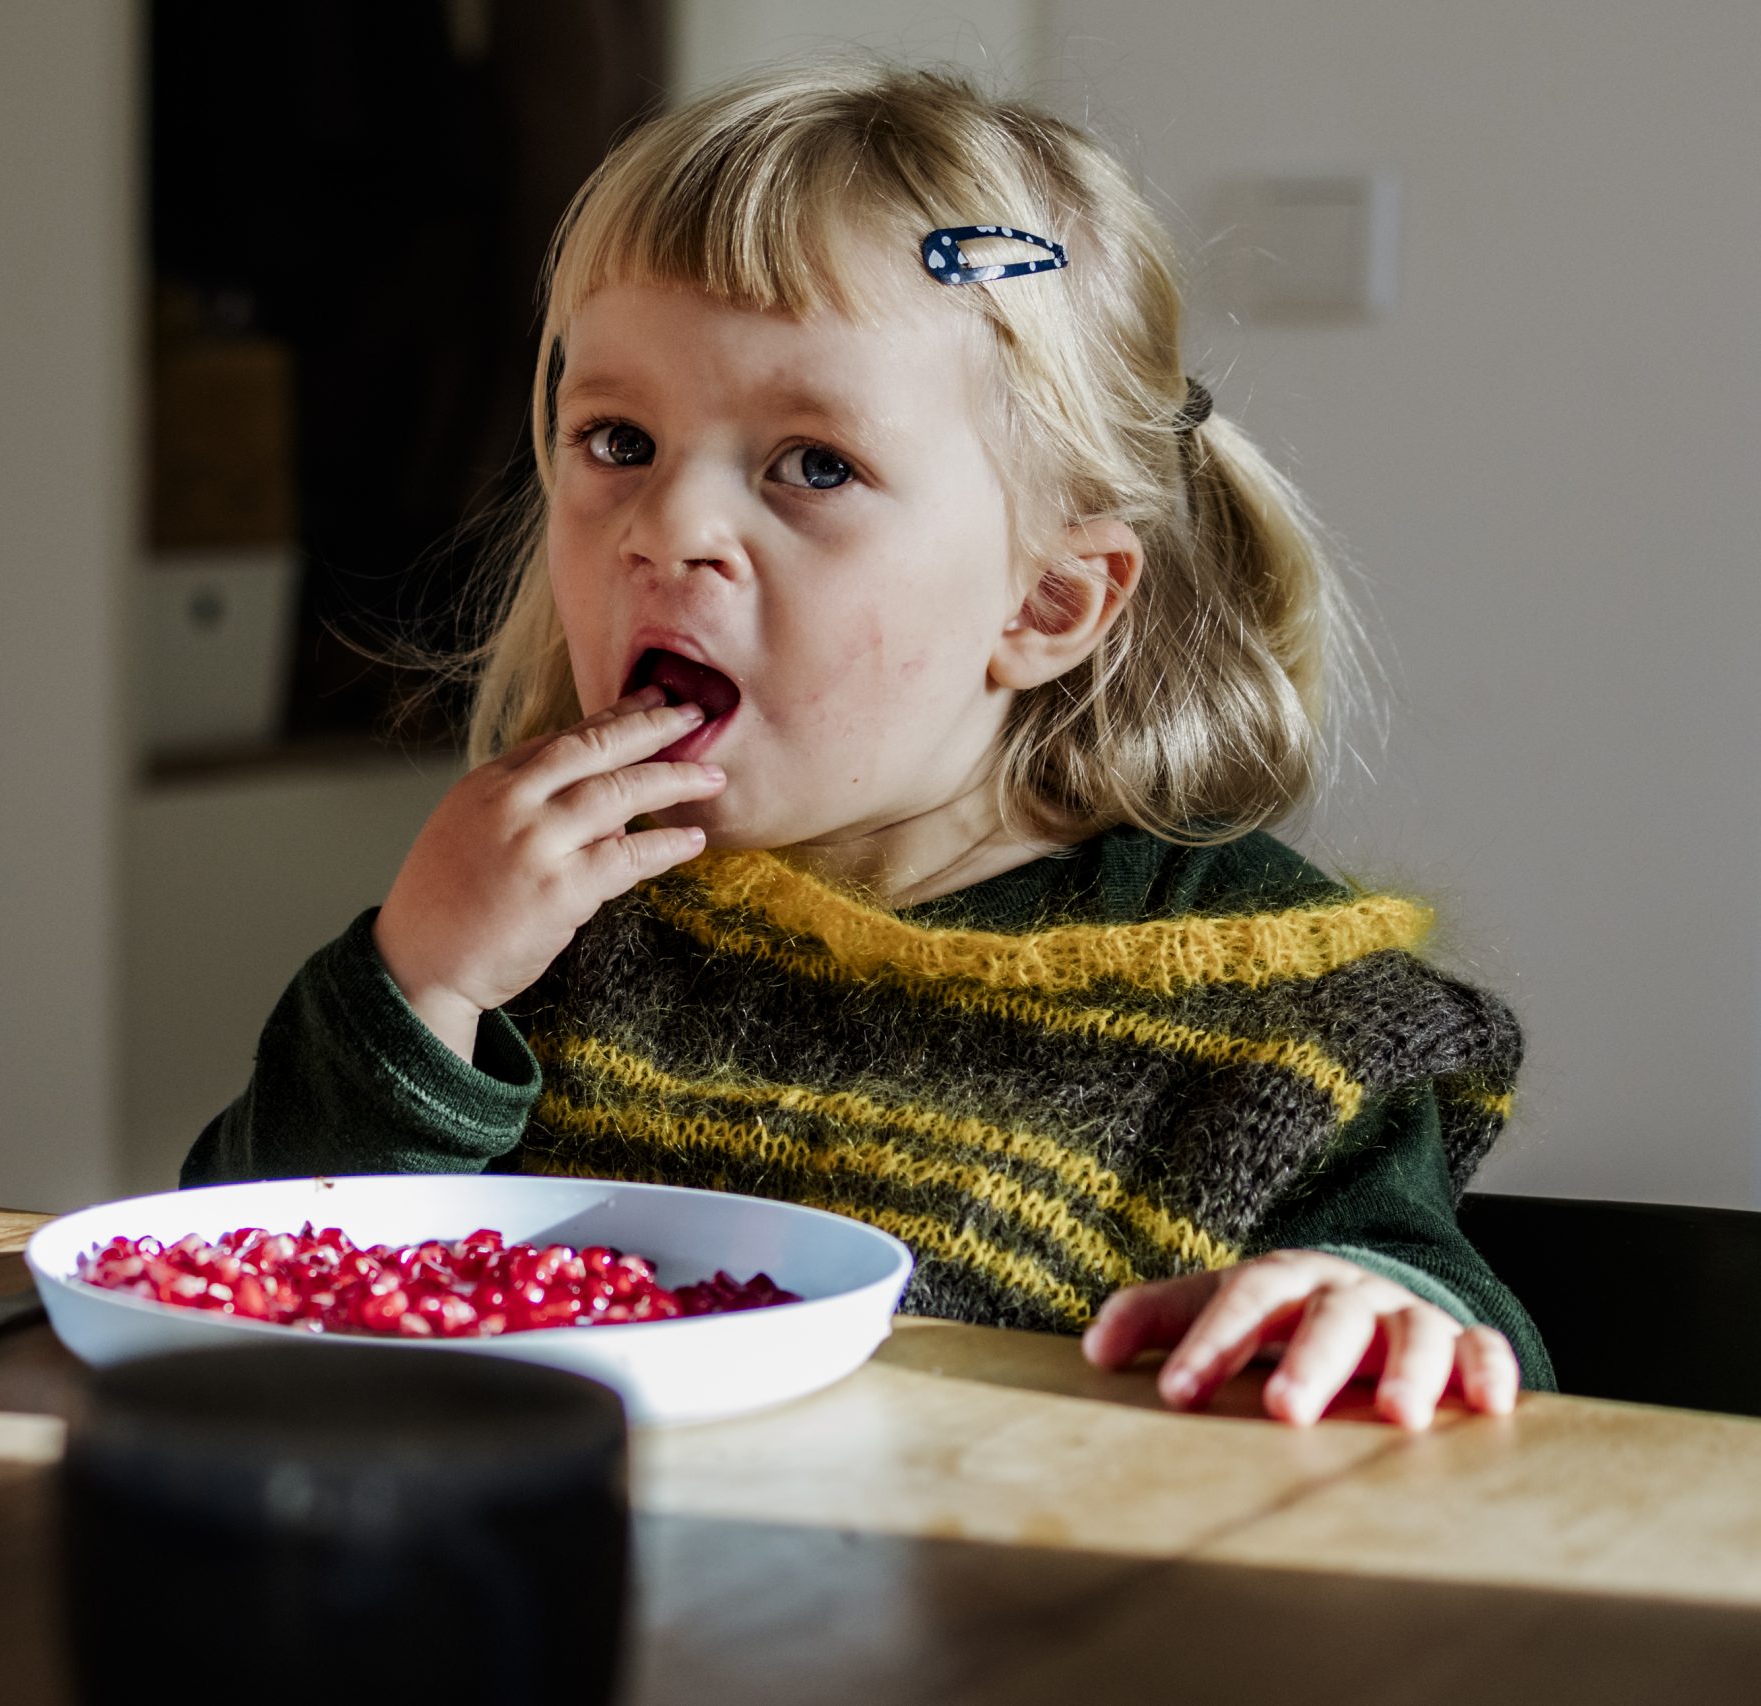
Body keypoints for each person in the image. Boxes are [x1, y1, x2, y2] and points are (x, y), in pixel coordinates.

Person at [182, 59, 1550, 1428]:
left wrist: (1373, 1310)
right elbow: (234, 1273)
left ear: (1047, 600)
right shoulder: (537, 930)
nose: (667, 529)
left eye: (813, 464)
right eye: (618, 438)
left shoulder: (1276, 1010)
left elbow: (1475, 1359)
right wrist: (420, 982)